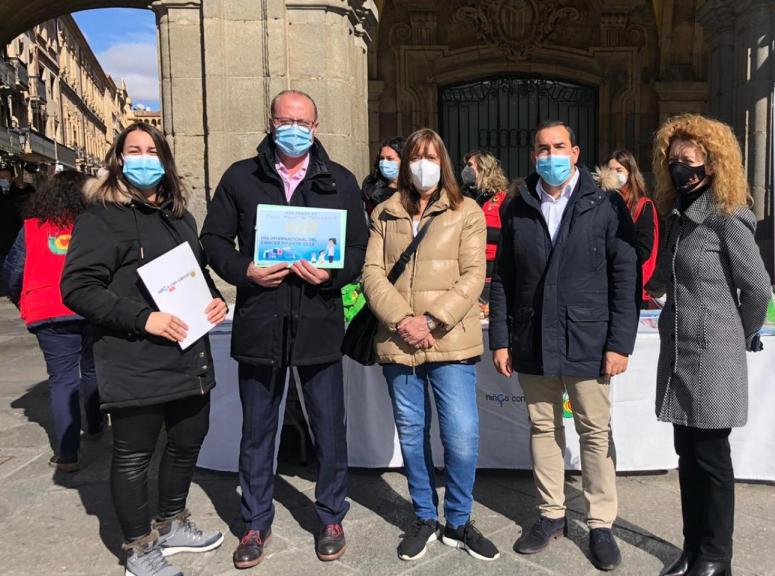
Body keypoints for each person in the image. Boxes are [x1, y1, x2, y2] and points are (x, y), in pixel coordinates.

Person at [200, 90, 369, 569]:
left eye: (303, 120)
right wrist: (244, 270)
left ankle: (331, 515)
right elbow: (212, 239)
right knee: (257, 429)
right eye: (285, 118)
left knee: (329, 427)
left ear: (316, 126)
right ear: (271, 121)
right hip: (260, 321)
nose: (294, 127)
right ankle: (255, 521)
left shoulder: (339, 179)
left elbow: (358, 246)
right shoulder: (240, 176)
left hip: (318, 321)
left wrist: (333, 275)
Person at [61, 122, 228, 576]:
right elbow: (76, 287)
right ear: (118, 158)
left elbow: (197, 273)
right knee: (134, 455)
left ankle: (172, 522)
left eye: (152, 150)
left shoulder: (180, 217)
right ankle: (139, 547)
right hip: (134, 357)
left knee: (186, 442)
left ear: (166, 160)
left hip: (188, 356)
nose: (143, 158)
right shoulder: (100, 217)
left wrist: (212, 299)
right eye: (133, 150)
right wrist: (144, 318)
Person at [489, 120, 639, 571]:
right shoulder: (519, 206)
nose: (549, 155)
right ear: (533, 155)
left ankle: (600, 522)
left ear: (575, 153)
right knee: (543, 428)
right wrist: (501, 339)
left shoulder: (607, 204)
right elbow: (504, 280)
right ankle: (552, 515)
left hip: (589, 339)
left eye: (558, 147)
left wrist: (619, 344)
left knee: (594, 432)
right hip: (533, 337)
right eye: (541, 149)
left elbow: (624, 277)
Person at [362, 128, 498, 563]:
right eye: (415, 157)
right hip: (399, 340)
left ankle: (458, 520)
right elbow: (372, 274)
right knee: (412, 433)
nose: (423, 165)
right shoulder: (385, 211)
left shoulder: (467, 211)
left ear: (444, 163)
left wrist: (431, 320)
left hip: (450, 339)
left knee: (461, 435)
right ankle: (424, 515)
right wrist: (403, 320)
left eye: (432, 157)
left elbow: (473, 275)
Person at [645, 114, 772, 576]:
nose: (679, 167)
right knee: (687, 454)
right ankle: (691, 548)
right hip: (680, 351)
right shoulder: (678, 217)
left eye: (688, 159)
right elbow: (661, 277)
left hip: (714, 353)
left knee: (712, 458)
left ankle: (717, 556)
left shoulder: (726, 220)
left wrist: (740, 335)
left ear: (713, 164)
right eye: (672, 159)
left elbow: (758, 289)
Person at [3, 170, 103, 473]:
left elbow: (13, 270)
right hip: (90, 306)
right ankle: (96, 424)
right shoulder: (95, 224)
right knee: (92, 368)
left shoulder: (32, 227)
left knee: (62, 379)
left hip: (47, 309)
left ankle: (68, 453)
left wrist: (20, 297)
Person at [604, 149, 659, 306]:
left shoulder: (643, 205)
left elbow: (644, 249)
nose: (613, 174)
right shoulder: (601, 201)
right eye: (610, 169)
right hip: (606, 283)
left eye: (619, 170)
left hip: (633, 283)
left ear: (630, 173)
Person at [460, 150, 509, 298]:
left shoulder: (503, 199)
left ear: (484, 168)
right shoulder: (460, 198)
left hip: (492, 269)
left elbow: (507, 233)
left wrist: (474, 230)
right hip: (464, 267)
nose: (465, 170)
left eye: (470, 165)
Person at [0, 164, 34, 277]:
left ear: (12, 178)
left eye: (5, 177)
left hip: (14, 239)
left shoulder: (20, 195)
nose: (2, 180)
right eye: (0, 178)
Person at [361, 136, 405, 215]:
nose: (384, 163)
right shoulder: (370, 188)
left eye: (389, 159)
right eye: (381, 158)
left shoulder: (414, 191)